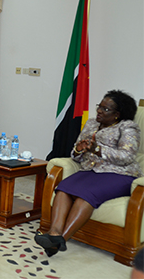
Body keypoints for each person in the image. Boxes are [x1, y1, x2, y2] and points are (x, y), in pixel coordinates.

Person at [35, 90, 141, 257]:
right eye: (100, 106)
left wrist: (98, 149)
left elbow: (127, 157)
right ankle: (54, 233)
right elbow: (76, 155)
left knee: (86, 196)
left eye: (106, 109)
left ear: (117, 115)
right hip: (90, 171)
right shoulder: (91, 124)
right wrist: (78, 150)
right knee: (63, 188)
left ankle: (62, 239)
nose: (99, 111)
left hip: (119, 174)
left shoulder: (127, 128)